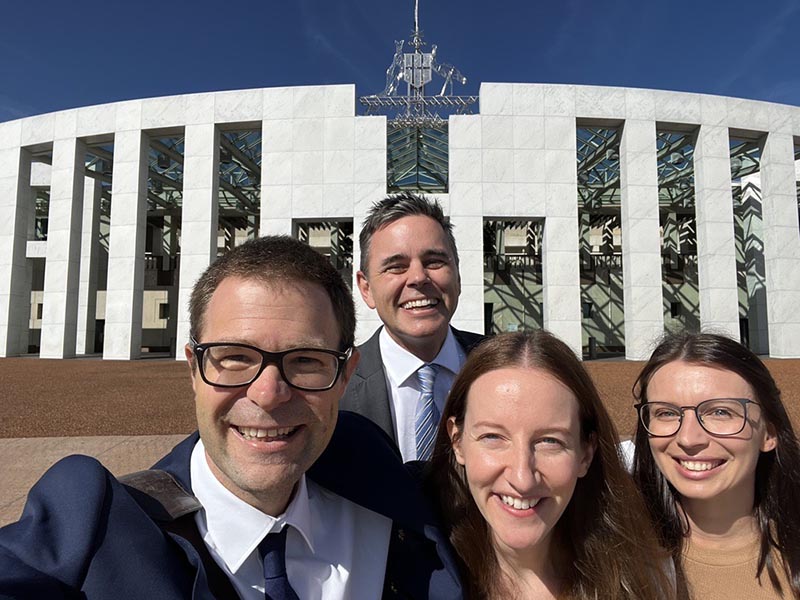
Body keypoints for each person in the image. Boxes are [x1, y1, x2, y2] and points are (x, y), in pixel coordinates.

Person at [0, 236, 462, 599]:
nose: (268, 394)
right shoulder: (93, 528)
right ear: (194, 369)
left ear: (345, 375)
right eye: (235, 357)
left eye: (305, 360)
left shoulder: (370, 468)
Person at [427, 330, 673, 599]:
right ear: (457, 441)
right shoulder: (407, 579)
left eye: (549, 441)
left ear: (586, 453)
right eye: (493, 437)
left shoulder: (647, 580)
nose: (522, 479)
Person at [632, 331, 800, 600]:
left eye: (720, 412)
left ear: (769, 434)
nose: (688, 438)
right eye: (666, 412)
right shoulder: (611, 559)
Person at [341, 192, 483, 462]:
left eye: (434, 262)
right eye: (396, 267)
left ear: (458, 276)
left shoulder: (507, 367)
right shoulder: (336, 387)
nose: (418, 277)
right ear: (366, 288)